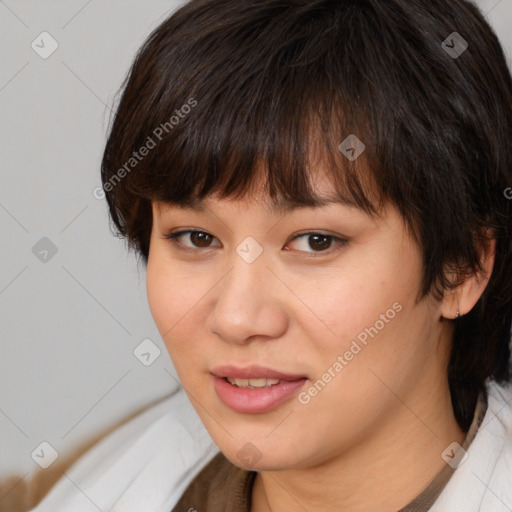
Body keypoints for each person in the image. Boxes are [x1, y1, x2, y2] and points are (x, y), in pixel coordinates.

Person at [24, 0, 512, 510]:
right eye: (196, 237)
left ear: (463, 267)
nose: (236, 318)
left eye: (315, 241)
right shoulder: (99, 480)